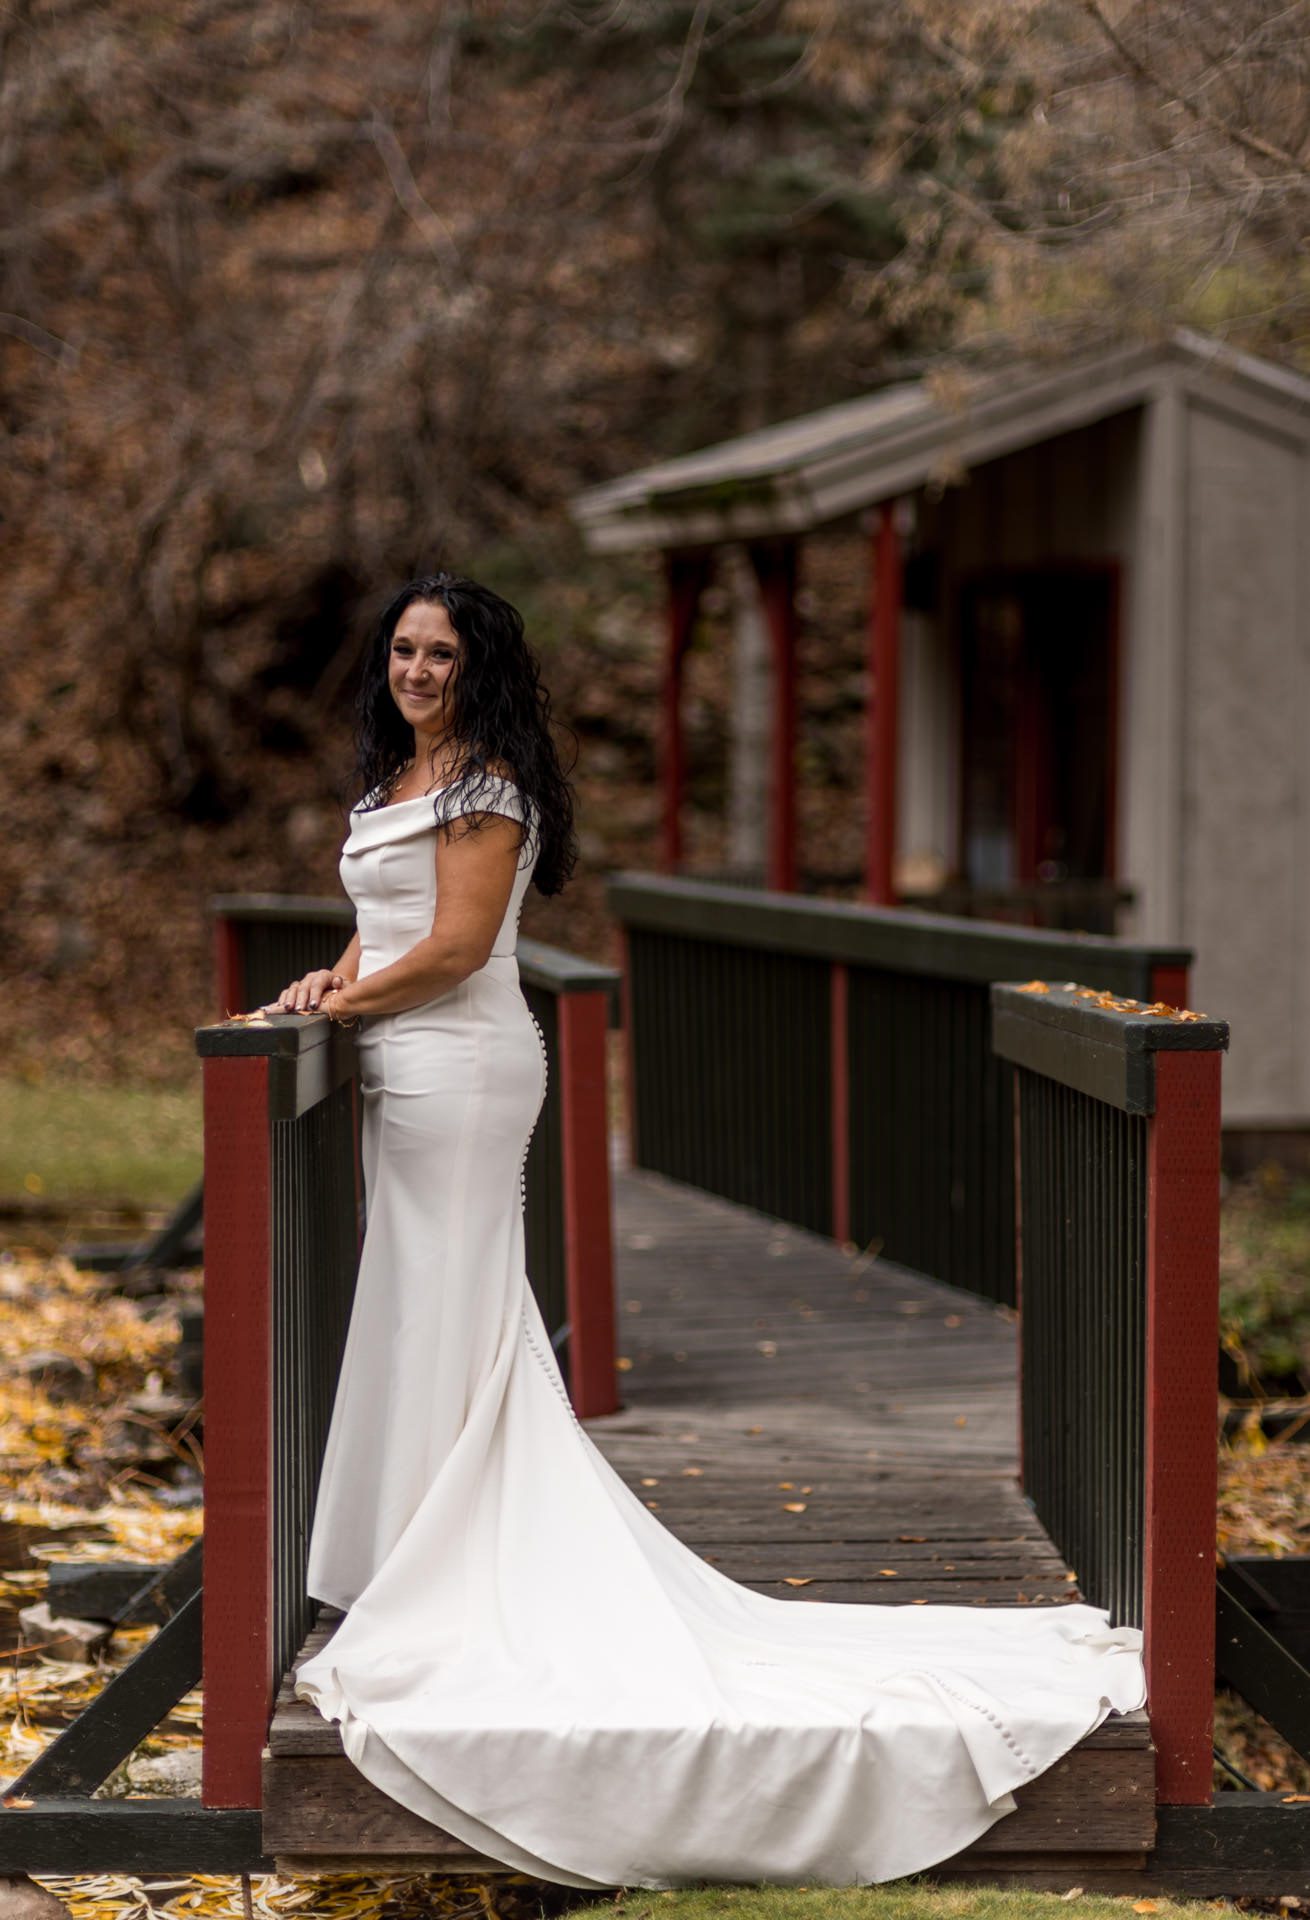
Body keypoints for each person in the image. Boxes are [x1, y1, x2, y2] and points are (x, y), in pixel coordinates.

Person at [273, 569, 1146, 1891]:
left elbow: (454, 951)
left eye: (440, 654)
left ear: (480, 666)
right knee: (411, 1302)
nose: (414, 671)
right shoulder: (394, 783)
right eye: (400, 649)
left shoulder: (484, 791)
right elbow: (388, 929)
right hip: (401, 1062)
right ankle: (406, 1553)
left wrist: (356, 1007)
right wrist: (333, 978)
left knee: (451, 1300)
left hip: (459, 1067)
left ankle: (447, 1565)